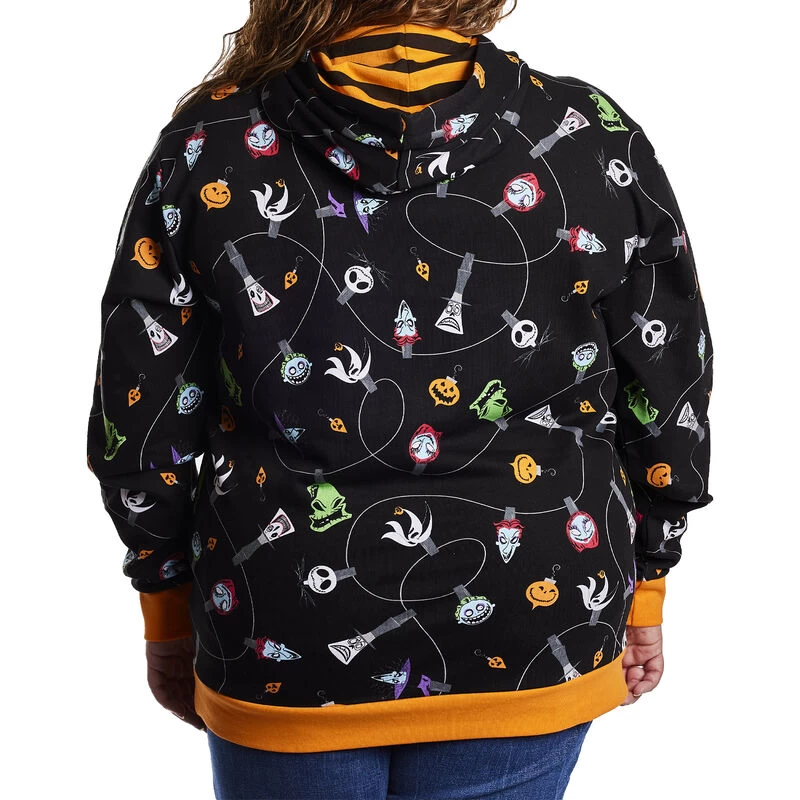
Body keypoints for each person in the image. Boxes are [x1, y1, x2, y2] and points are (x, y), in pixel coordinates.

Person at [85, 1, 714, 797]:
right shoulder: (587, 131)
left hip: (280, 622)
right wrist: (649, 576)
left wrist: (166, 598)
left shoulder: (211, 139)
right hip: (532, 613)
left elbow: (141, 405)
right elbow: (669, 383)